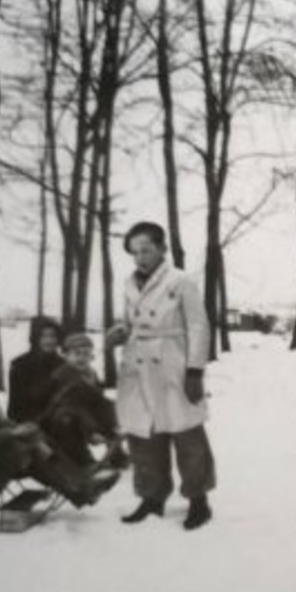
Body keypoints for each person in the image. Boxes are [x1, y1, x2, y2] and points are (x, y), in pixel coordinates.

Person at [108, 221, 217, 531]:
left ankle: (199, 501)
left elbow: (199, 326)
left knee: (187, 435)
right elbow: (130, 323)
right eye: (135, 252)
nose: (141, 257)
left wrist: (195, 370)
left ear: (162, 248)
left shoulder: (181, 280)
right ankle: (152, 498)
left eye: (147, 249)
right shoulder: (129, 283)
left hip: (173, 363)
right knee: (144, 436)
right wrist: (121, 332)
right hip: (137, 366)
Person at [0, 341, 119, 507]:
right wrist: (12, 434)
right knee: (23, 446)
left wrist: (18, 428)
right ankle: (80, 491)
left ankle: (80, 479)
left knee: (36, 435)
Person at [39, 333, 130, 475]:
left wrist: (111, 414)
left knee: (107, 406)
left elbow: (97, 398)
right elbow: (71, 404)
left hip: (85, 411)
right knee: (71, 417)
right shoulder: (64, 375)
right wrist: (91, 430)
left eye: (86, 354)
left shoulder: (89, 373)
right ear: (66, 355)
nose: (81, 358)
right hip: (62, 415)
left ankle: (116, 453)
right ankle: (83, 460)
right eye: (77, 354)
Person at [7, 315, 66, 423]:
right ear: (35, 338)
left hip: (60, 423)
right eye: (43, 336)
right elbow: (15, 406)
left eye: (52, 336)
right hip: (29, 422)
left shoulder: (64, 365)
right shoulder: (20, 365)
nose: (48, 341)